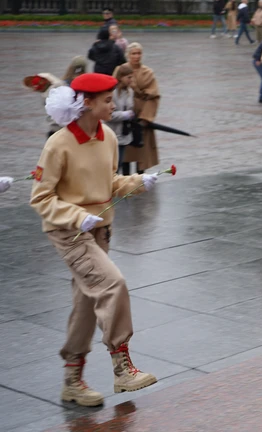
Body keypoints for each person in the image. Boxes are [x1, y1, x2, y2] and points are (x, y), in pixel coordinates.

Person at [30, 73, 160, 407]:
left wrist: (136, 182)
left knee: (87, 302)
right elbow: (41, 198)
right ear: (86, 103)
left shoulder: (109, 137)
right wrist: (77, 217)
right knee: (112, 284)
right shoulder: (58, 144)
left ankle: (72, 380)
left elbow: (110, 181)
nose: (113, 105)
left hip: (100, 229)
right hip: (69, 232)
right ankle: (122, 367)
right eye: (106, 100)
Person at [121, 43, 161, 174]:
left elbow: (154, 96)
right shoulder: (121, 70)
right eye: (133, 53)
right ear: (128, 55)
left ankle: (140, 179)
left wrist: (145, 117)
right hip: (126, 116)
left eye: (139, 53)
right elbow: (115, 91)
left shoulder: (148, 73)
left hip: (142, 116)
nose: (136, 56)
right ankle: (125, 178)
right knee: (126, 152)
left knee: (141, 152)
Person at [108, 64, 136, 174]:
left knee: (119, 163)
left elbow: (131, 108)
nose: (131, 80)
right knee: (112, 166)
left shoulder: (130, 92)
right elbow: (109, 115)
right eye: (128, 77)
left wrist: (131, 114)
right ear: (121, 77)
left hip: (124, 134)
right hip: (112, 133)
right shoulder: (112, 92)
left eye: (132, 77)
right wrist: (125, 115)